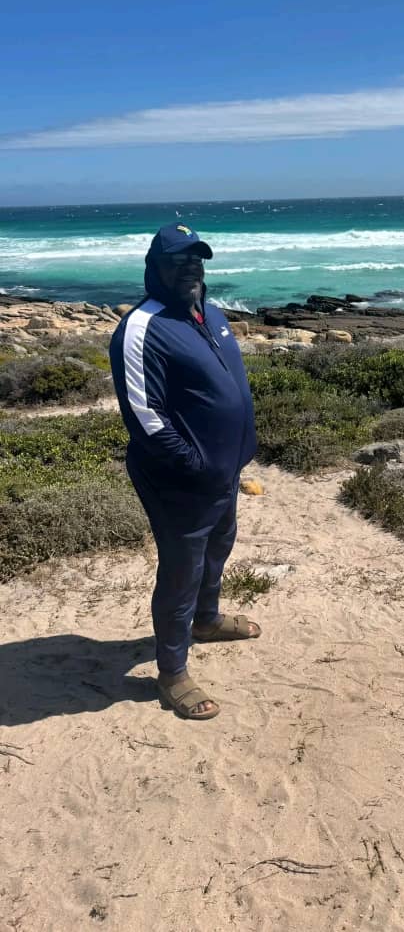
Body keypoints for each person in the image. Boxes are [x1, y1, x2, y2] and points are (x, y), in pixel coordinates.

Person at [110, 223, 260, 721]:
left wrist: (236, 453)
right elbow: (144, 416)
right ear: (155, 268)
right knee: (182, 569)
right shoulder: (141, 328)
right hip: (179, 479)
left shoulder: (209, 314)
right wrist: (194, 464)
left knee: (220, 544)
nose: (191, 267)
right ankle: (172, 673)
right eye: (178, 260)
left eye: (197, 259)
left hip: (222, 471)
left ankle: (207, 620)